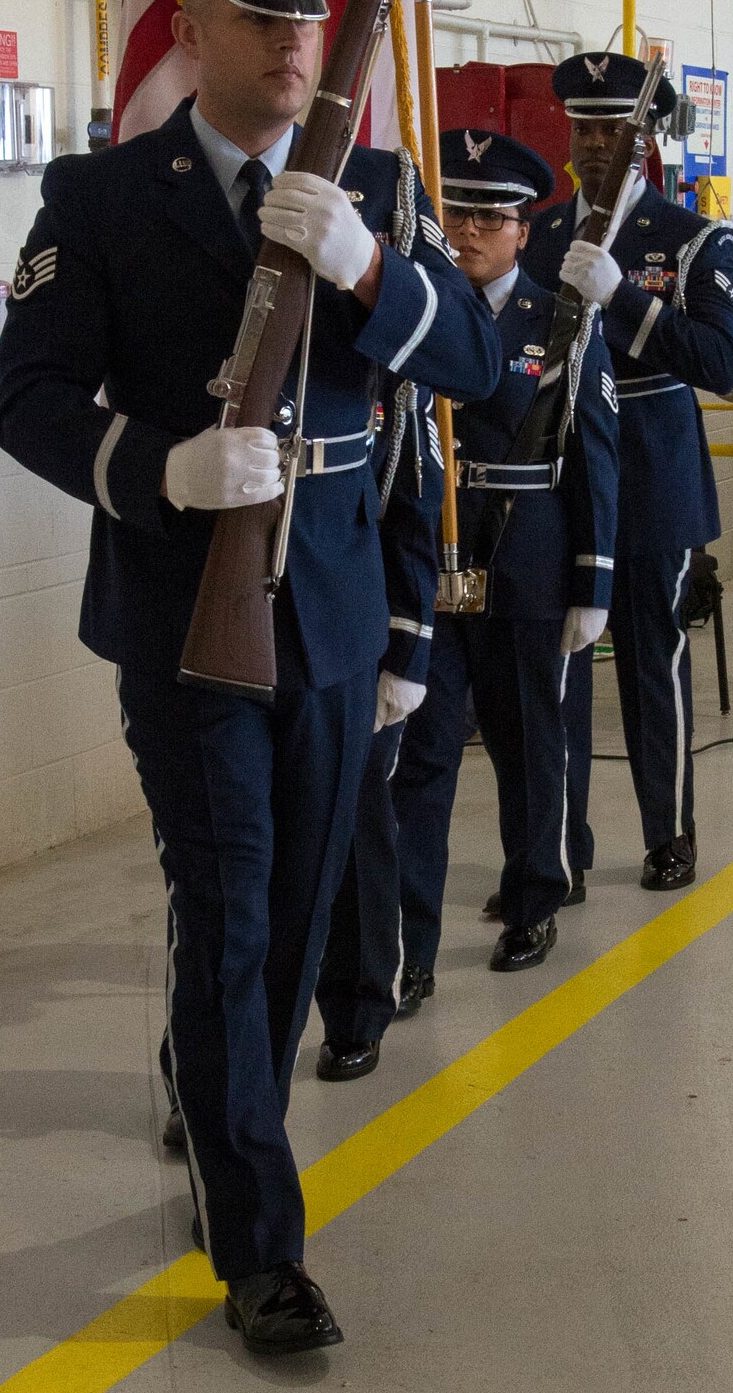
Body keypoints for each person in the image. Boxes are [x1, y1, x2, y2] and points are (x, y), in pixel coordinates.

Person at [0, 0, 499, 1358]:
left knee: (291, 911)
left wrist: (366, 267)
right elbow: (26, 399)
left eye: (309, 18)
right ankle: (259, 1247)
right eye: (262, 16)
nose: (293, 42)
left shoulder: (383, 191)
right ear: (189, 25)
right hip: (184, 601)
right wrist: (158, 470)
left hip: (333, 601)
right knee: (228, 906)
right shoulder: (98, 197)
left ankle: (217, 1102)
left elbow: (476, 368)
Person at [381, 127, 619, 1010]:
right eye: (456, 213)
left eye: (492, 217)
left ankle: (533, 899)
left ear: (525, 231)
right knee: (423, 752)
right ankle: (408, 945)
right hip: (429, 559)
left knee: (527, 742)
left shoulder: (559, 324)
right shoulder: (415, 311)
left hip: (528, 556)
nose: (472, 231)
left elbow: (594, 454)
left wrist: (591, 583)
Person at [523, 52, 733, 892]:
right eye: (582, 127)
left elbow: (721, 362)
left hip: (653, 476)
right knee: (558, 668)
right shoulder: (540, 233)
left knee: (652, 661)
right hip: (559, 475)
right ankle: (560, 851)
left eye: (613, 129)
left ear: (644, 139)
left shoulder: (689, 240)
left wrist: (626, 297)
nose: (594, 145)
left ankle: (668, 832)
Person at [312, 378, 442, 1082]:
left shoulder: (386, 367)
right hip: (245, 629)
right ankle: (205, 1061)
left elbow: (414, 510)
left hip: (354, 630)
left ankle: (358, 1012)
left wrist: (406, 653)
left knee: (361, 829)